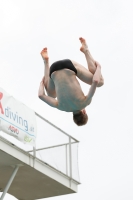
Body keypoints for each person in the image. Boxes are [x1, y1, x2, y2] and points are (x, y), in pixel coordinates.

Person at [38, 37, 104, 126]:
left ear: (84, 112)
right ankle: (46, 61)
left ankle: (86, 50)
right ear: (73, 116)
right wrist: (42, 82)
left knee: (100, 82)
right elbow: (41, 95)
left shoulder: (85, 103)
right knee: (51, 95)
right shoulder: (61, 107)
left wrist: (99, 67)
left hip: (69, 66)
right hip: (53, 70)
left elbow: (95, 81)